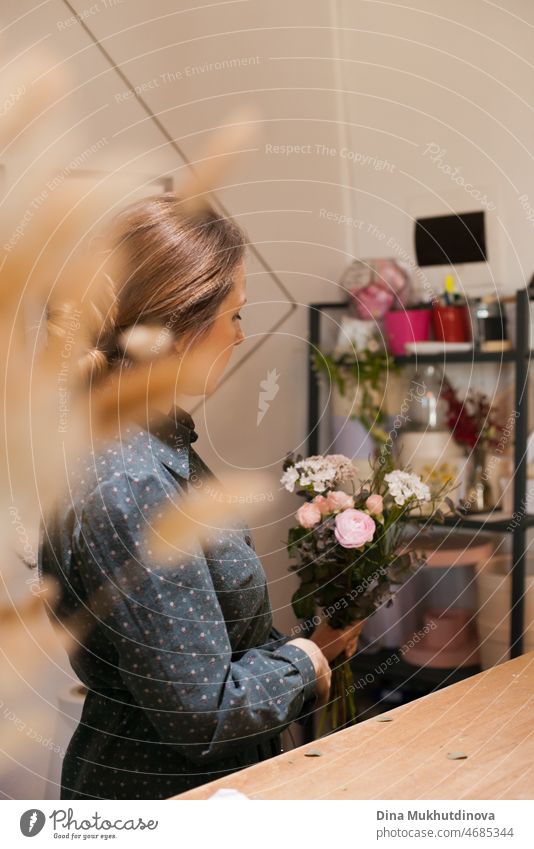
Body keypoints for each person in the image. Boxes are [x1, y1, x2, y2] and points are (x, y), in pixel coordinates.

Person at [38, 194, 361, 800]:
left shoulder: (159, 446)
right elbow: (204, 716)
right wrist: (309, 660)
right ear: (179, 326)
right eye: (235, 314)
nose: (241, 336)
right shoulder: (131, 483)